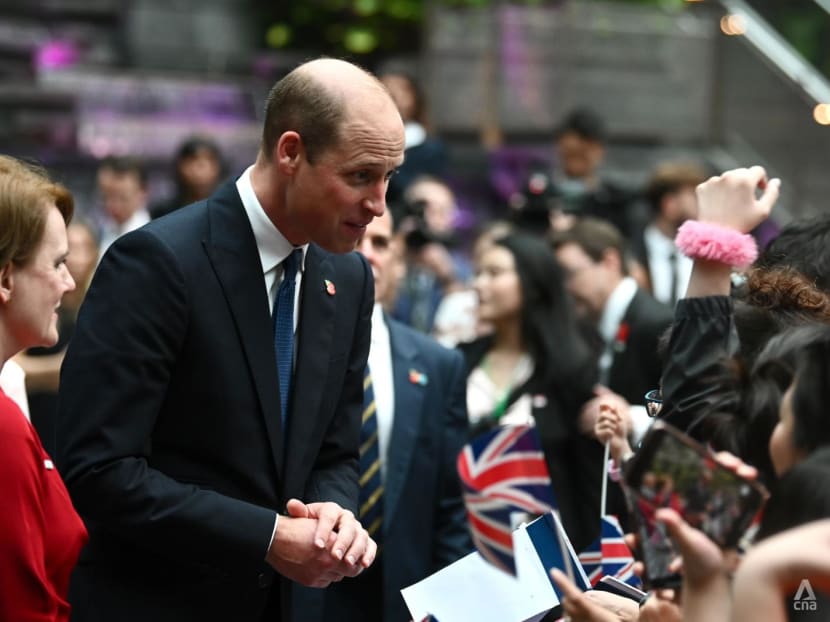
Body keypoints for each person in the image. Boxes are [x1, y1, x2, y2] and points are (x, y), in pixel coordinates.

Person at [56, 58, 405, 622]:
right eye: (361, 175)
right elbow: (100, 470)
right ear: (290, 152)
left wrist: (333, 515)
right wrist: (267, 536)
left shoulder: (350, 277)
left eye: (391, 176)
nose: (379, 203)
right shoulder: (158, 262)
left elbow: (336, 450)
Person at [296, 207, 472, 621]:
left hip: (400, 594)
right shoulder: (287, 343)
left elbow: (452, 506)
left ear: (397, 258)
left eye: (381, 243)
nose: (367, 254)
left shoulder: (437, 365)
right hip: (303, 584)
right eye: (357, 239)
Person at [458, 232, 604, 552]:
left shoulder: (569, 368)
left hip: (547, 556)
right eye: (478, 273)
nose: (479, 285)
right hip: (465, 546)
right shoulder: (460, 361)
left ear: (533, 282)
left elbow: (586, 482)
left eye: (494, 274)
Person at [0, 154, 87, 621]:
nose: (69, 283)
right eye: (56, 263)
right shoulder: (3, 429)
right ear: (6, 278)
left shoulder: (8, 389)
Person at [552, 217, 673, 446]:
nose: (566, 288)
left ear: (610, 261)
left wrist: (633, 417)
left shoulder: (657, 323)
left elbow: (687, 410)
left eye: (569, 274)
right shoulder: (586, 327)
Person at [14, 219, 99, 456]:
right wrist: (54, 370)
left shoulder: (98, 308)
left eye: (86, 247)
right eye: (70, 251)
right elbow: (10, 364)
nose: (79, 258)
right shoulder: (38, 308)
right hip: (38, 420)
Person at [151, 135, 227, 219]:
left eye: (208, 161)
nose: (200, 170)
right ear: (180, 166)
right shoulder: (162, 213)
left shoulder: (228, 211)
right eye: (193, 160)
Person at [94, 155, 151, 254]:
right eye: (106, 197)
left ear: (142, 193)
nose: (113, 205)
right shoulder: (99, 232)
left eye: (123, 198)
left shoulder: (151, 237)